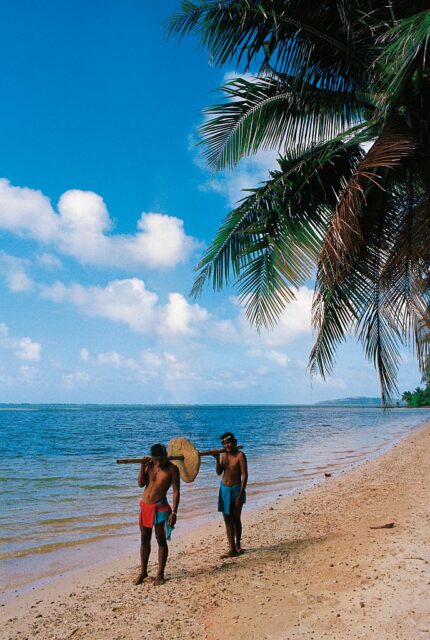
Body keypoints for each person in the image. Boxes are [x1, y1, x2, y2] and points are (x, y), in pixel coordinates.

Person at [134, 443, 180, 586]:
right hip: (145, 507)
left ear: (166, 455)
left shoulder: (172, 469)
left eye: (161, 459)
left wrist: (174, 512)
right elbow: (141, 484)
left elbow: (176, 491)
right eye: (156, 459)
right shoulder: (149, 465)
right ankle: (143, 572)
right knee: (144, 539)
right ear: (153, 458)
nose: (159, 462)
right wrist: (142, 466)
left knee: (160, 540)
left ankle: (160, 573)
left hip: (160, 507)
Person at [214, 432, 248, 558]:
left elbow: (244, 476)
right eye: (224, 443)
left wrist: (240, 494)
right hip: (224, 489)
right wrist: (217, 459)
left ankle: (238, 544)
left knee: (235, 519)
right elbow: (219, 472)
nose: (227, 445)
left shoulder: (240, 456)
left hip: (236, 489)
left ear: (234, 442)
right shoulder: (223, 455)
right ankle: (232, 548)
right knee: (227, 520)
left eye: (229, 442)